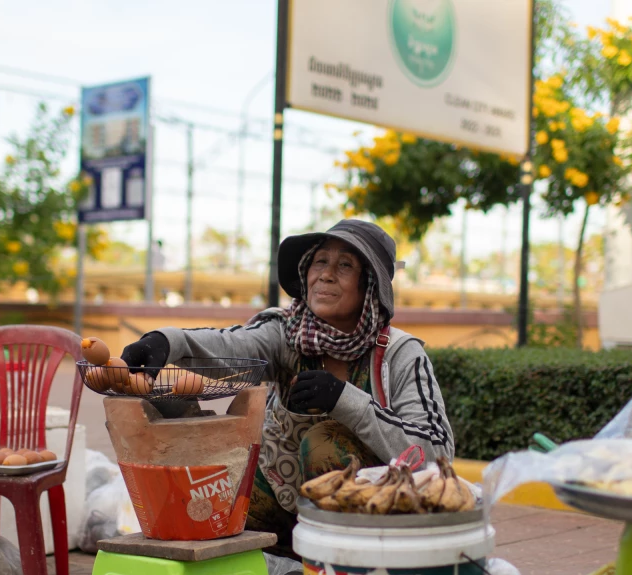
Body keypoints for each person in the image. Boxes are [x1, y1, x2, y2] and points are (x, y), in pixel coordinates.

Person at [120, 219, 455, 556]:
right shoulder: (287, 331)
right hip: (280, 496)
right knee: (221, 493)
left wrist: (345, 399)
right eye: (320, 261)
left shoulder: (398, 354)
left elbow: (437, 452)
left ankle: (336, 572)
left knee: (324, 443)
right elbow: (237, 347)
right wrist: (169, 342)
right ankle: (282, 571)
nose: (325, 274)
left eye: (345, 265)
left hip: (364, 524)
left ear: (368, 285)